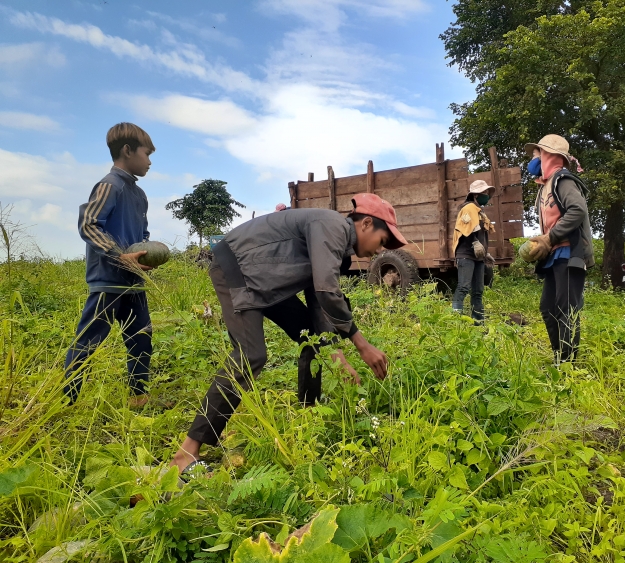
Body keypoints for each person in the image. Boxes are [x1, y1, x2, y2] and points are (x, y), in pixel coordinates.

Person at [170, 193, 408, 474]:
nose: (380, 252)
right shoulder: (332, 226)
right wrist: (360, 343)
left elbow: (318, 299)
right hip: (236, 269)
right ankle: (186, 453)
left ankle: (310, 416)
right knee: (250, 355)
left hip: (266, 281)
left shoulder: (338, 246)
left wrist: (335, 352)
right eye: (382, 242)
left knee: (313, 339)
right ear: (366, 223)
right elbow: (326, 291)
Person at [63, 123, 156, 407]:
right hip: (108, 279)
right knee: (90, 339)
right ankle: (68, 399)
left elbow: (142, 235)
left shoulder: (139, 195)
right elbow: (89, 225)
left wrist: (146, 254)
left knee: (141, 337)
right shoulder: (109, 185)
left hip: (133, 281)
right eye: (147, 153)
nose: (150, 161)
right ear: (127, 150)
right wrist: (118, 255)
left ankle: (138, 396)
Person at [523, 135, 594, 364]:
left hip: (569, 253)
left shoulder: (563, 180)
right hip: (554, 255)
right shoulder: (545, 186)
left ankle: (568, 365)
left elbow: (577, 210)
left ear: (550, 156)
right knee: (548, 308)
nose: (533, 161)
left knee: (566, 310)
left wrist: (550, 237)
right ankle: (559, 358)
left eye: (537, 154)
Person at [451, 179, 495, 322]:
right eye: (484, 193)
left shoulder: (480, 213)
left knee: (478, 291)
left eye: (487, 193)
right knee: (464, 286)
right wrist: (475, 243)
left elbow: (480, 234)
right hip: (466, 255)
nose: (487, 195)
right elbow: (467, 230)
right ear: (475, 195)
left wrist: (485, 252)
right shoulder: (468, 208)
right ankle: (455, 320)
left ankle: (478, 321)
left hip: (478, 257)